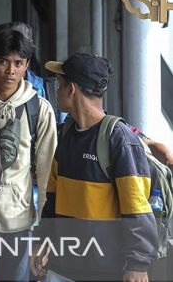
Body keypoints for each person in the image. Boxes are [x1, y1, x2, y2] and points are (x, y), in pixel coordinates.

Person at [32, 53, 157, 282]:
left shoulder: (118, 139)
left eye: (59, 85)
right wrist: (43, 242)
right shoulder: (66, 134)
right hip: (64, 266)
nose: (56, 91)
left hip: (105, 270)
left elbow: (137, 208)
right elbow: (53, 198)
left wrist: (137, 264)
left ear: (71, 89)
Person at [0, 28, 57, 282]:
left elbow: (47, 171)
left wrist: (43, 230)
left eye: (18, 63)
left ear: (27, 65)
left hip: (20, 221)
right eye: (4, 61)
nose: (10, 70)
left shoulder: (39, 108)